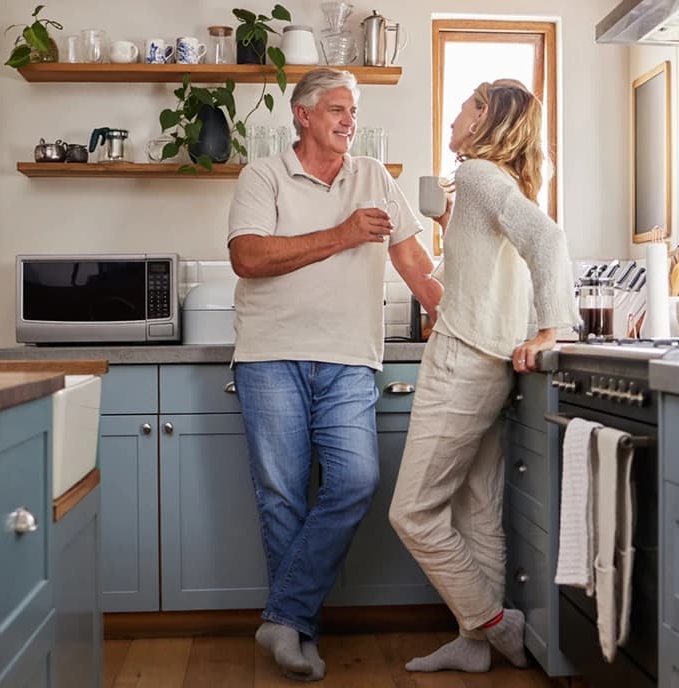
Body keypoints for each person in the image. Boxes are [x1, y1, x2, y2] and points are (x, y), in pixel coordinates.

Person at [227, 67, 442, 681]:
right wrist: (342, 233)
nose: (350, 121)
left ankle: (283, 617)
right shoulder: (263, 175)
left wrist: (446, 309)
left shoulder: (374, 176)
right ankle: (299, 632)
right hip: (270, 355)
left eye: (353, 111)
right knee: (283, 496)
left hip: (350, 358)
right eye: (338, 110)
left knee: (355, 481)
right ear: (303, 114)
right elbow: (247, 256)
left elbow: (411, 257)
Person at [389, 79, 580, 674]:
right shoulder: (491, 184)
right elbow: (485, 270)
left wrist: (552, 327)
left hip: (463, 361)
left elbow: (547, 237)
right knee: (477, 507)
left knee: (412, 513)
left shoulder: (476, 173)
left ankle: (494, 622)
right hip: (487, 361)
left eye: (467, 107)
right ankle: (473, 646)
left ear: (485, 122)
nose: (455, 116)